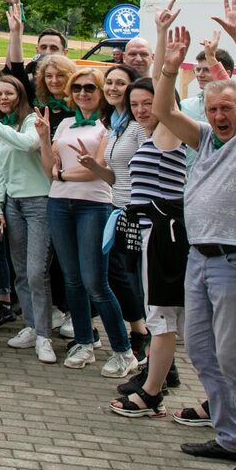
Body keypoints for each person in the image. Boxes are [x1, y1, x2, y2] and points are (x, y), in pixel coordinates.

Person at [152, 0, 236, 470]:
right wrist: (168, 64)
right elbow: (163, 110)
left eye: (228, 106)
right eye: (212, 107)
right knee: (204, 353)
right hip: (200, 260)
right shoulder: (205, 138)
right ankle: (229, 436)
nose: (219, 113)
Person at [37, 67, 136, 377]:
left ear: (100, 92)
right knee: (72, 279)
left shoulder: (109, 126)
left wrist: (63, 174)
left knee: (96, 281)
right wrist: (43, 138)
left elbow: (100, 169)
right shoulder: (65, 123)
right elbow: (48, 167)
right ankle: (83, 342)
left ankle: (123, 350)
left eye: (90, 88)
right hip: (59, 203)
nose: (82, 93)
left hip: (93, 205)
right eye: (77, 87)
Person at [110, 67, 190, 419]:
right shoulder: (148, 137)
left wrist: (167, 61)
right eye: (135, 104)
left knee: (163, 318)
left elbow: (165, 91)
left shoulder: (167, 134)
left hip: (164, 235)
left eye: (148, 103)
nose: (141, 109)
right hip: (148, 234)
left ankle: (152, 392)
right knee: (162, 318)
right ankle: (154, 387)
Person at [0, 75, 55, 360]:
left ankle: (44, 335)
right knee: (21, 271)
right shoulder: (3, 129)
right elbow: (2, 171)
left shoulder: (32, 122)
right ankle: (32, 327)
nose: (3, 98)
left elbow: (27, 145)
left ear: (20, 95)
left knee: (37, 272)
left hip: (39, 203)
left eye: (9, 93)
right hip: (13, 205)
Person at [102, 63, 150, 360]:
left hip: (139, 213)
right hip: (116, 207)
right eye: (108, 82)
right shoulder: (114, 124)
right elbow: (113, 174)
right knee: (118, 273)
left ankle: (141, 334)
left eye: (120, 83)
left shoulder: (138, 126)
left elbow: (149, 164)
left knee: (127, 275)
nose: (112, 88)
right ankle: (140, 330)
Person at [181, 38, 236, 119]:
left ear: (227, 74)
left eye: (207, 70)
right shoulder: (185, 106)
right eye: (198, 69)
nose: (200, 75)